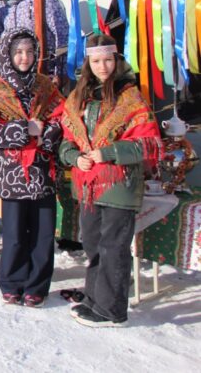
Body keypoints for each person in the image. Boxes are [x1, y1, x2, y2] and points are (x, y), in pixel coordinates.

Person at [59, 35, 160, 327]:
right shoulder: (78, 97)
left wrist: (110, 152)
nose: (102, 66)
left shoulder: (131, 96)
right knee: (92, 245)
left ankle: (112, 311)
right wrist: (74, 157)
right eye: (96, 61)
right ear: (88, 63)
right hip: (89, 185)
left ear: (116, 60)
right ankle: (94, 299)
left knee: (113, 248)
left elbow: (148, 144)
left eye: (107, 60)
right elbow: (66, 141)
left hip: (119, 185)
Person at [0, 28, 64, 307]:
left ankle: (37, 285)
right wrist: (24, 129)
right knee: (14, 234)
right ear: (7, 55)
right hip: (11, 173)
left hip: (42, 171)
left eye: (29, 52)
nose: (24, 57)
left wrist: (46, 132)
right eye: (18, 52)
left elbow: (63, 119)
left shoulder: (46, 86)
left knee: (43, 233)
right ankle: (11, 282)